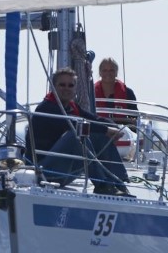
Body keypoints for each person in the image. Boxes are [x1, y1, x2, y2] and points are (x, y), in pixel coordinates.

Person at [29, 67, 132, 196]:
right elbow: (72, 123)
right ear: (53, 87)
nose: (66, 88)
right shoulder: (47, 108)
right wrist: (106, 129)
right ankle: (101, 184)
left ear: (75, 88)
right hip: (44, 172)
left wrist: (112, 127)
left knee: (99, 135)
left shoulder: (71, 106)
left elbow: (93, 118)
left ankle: (118, 182)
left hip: (64, 170)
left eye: (70, 85)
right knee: (76, 134)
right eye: (62, 84)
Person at [93, 57, 138, 129]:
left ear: (116, 72)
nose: (108, 73)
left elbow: (134, 120)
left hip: (122, 133)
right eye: (105, 70)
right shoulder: (91, 93)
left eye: (111, 70)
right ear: (100, 73)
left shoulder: (128, 93)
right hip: (98, 131)